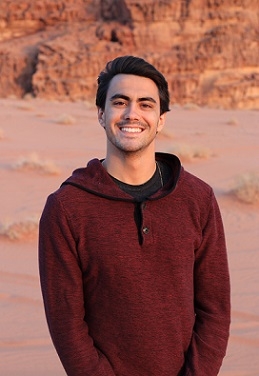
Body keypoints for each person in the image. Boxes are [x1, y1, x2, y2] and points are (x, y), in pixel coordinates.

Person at [39, 55, 231, 376]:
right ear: (101, 114)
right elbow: (66, 322)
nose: (132, 114)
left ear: (161, 119)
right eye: (120, 102)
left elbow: (215, 310)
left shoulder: (198, 199)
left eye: (146, 104)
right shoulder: (66, 207)